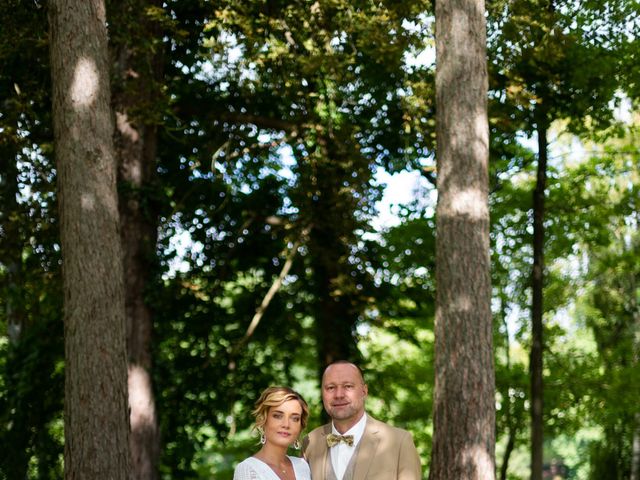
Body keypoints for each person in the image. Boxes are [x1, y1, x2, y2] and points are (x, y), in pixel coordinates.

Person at [302, 361, 422, 480]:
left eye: (348, 386)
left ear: (364, 391)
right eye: (331, 387)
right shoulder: (310, 442)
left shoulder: (399, 442)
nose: (339, 395)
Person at [234, 386, 312, 480]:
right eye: (277, 416)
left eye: (295, 418)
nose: (286, 424)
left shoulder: (303, 467)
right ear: (263, 419)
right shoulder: (248, 469)